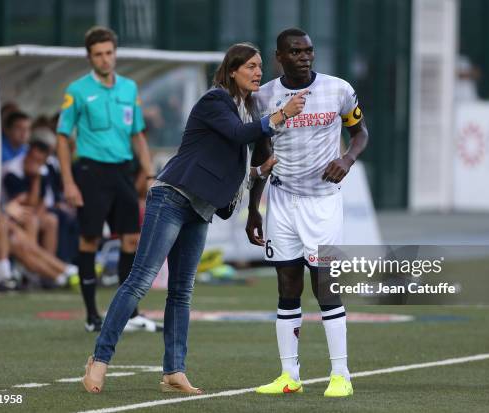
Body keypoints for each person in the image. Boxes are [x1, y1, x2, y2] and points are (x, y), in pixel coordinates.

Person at [81, 42, 306, 395]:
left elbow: (227, 161)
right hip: (172, 196)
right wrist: (281, 115)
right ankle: (99, 359)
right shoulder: (216, 100)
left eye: (260, 66)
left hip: (201, 208)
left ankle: (174, 370)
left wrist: (259, 170)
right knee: (139, 281)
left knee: (182, 292)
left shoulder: (245, 109)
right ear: (232, 70)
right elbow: (237, 136)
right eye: (250, 66)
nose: (258, 72)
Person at [247, 28, 369, 398]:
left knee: (325, 286)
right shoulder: (264, 96)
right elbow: (261, 156)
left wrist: (347, 159)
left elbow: (360, 132)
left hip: (323, 201)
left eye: (309, 51)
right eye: (296, 51)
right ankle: (289, 376)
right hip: (281, 202)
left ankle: (341, 374)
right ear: (279, 56)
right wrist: (254, 208)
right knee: (287, 287)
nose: (305, 56)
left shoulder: (339, 89)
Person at [56, 26, 158, 333]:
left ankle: (130, 312)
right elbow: (63, 138)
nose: (105, 59)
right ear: (90, 57)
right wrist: (69, 182)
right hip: (90, 172)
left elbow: (137, 134)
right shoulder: (76, 90)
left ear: (115, 53)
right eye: (98, 54)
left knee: (131, 240)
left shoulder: (129, 88)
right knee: (90, 240)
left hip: (122, 172)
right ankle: (91, 316)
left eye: (109, 53)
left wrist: (150, 172)